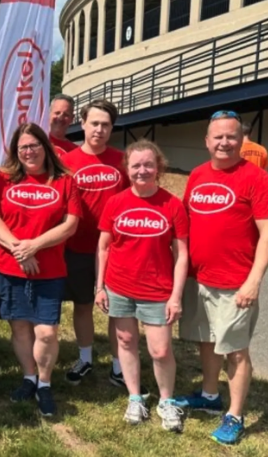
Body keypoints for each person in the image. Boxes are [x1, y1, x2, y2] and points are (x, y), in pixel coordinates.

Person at [175, 110, 268, 445]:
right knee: (207, 340)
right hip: (197, 278)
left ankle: (234, 415)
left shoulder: (258, 179)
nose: (224, 142)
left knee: (236, 351)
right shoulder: (197, 175)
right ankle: (209, 396)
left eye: (231, 136)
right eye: (217, 137)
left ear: (242, 140)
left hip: (235, 283)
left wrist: (254, 281)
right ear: (207, 141)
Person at [0, 122, 81, 417]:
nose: (29, 151)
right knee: (20, 327)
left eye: (34, 145)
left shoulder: (65, 180)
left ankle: (44, 383)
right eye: (23, 147)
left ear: (45, 147)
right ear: (16, 151)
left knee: (47, 332)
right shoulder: (3, 178)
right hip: (9, 266)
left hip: (49, 269)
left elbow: (71, 223)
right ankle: (29, 377)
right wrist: (19, 249)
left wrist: (34, 246)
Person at [94, 140, 188, 431]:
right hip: (120, 286)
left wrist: (175, 297)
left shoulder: (172, 204)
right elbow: (104, 247)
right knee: (125, 341)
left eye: (148, 164)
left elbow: (182, 254)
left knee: (160, 351)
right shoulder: (115, 202)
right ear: (127, 169)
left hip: (158, 292)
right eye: (136, 165)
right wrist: (100, 286)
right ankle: (135, 396)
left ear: (159, 167)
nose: (142, 170)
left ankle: (166, 401)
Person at [59, 99, 139, 394]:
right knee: (83, 305)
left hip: (117, 249)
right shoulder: (67, 162)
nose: (100, 129)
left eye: (106, 124)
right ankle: (85, 358)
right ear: (82, 123)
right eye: (94, 123)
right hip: (78, 247)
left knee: (118, 310)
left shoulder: (122, 160)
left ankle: (118, 366)